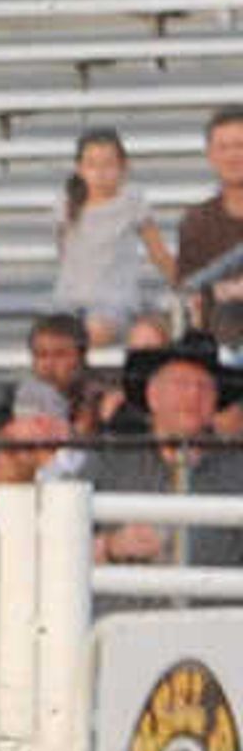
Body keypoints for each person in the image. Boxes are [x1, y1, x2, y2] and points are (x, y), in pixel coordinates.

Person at [90, 342, 243, 586]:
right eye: (181, 385)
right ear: (153, 396)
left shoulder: (237, 469)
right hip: (123, 619)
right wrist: (111, 546)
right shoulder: (107, 462)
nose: (193, 395)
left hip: (217, 618)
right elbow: (55, 546)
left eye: (204, 386)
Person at [51, 125, 171, 347]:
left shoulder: (132, 200)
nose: (100, 172)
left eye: (108, 164)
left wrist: (182, 282)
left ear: (124, 166)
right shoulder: (67, 202)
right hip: (69, 300)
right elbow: (64, 252)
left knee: (93, 332)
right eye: (91, 164)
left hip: (114, 300)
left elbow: (158, 253)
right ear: (79, 168)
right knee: (57, 337)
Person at [170, 106, 243, 351]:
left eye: (240, 145)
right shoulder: (196, 221)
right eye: (224, 147)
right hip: (217, 343)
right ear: (211, 155)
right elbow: (189, 293)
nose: (234, 156)